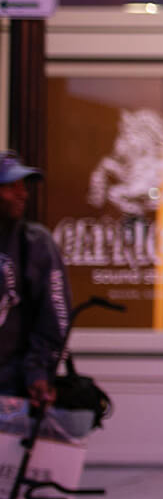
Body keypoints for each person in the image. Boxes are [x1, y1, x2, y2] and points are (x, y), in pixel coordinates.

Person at [0, 151, 71, 408]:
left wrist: (38, 371)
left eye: (23, 186)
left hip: (15, 389)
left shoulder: (35, 242)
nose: (23, 194)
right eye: (11, 186)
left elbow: (55, 315)